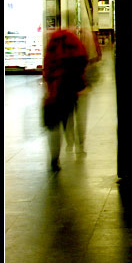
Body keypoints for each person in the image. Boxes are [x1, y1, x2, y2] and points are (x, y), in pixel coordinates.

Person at [42, 28, 88, 170]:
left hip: (55, 91)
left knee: (54, 126)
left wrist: (48, 83)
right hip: (70, 88)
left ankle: (54, 158)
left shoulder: (53, 44)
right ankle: (76, 141)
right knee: (69, 116)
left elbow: (47, 65)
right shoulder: (74, 43)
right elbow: (83, 59)